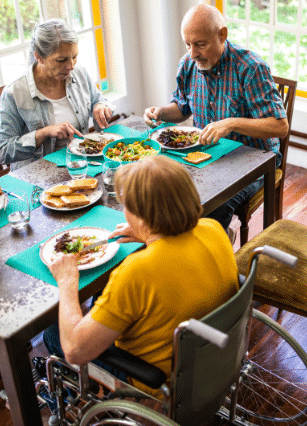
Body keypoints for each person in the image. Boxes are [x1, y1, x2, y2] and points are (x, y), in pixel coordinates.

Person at [43, 155, 238, 397]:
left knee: (53, 334)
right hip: (214, 359)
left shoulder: (136, 271)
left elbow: (74, 350)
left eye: (127, 207)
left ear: (142, 217)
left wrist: (67, 281)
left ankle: (77, 401)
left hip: (158, 381)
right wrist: (149, 234)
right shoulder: (213, 229)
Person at [143, 3, 288, 237]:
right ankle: (185, 252)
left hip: (252, 160)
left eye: (200, 44)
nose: (193, 54)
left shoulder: (250, 68)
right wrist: (160, 112)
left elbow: (279, 126)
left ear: (222, 35)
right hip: (206, 157)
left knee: (212, 207)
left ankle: (213, 250)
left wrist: (230, 123)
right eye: (188, 44)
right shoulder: (188, 64)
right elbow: (182, 109)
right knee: (162, 192)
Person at [0, 18, 114, 170]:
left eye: (74, 56)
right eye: (61, 60)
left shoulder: (79, 72)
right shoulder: (14, 92)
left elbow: (99, 99)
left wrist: (100, 105)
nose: (71, 66)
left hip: (80, 165)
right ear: (39, 57)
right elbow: (1, 152)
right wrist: (43, 133)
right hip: (37, 175)